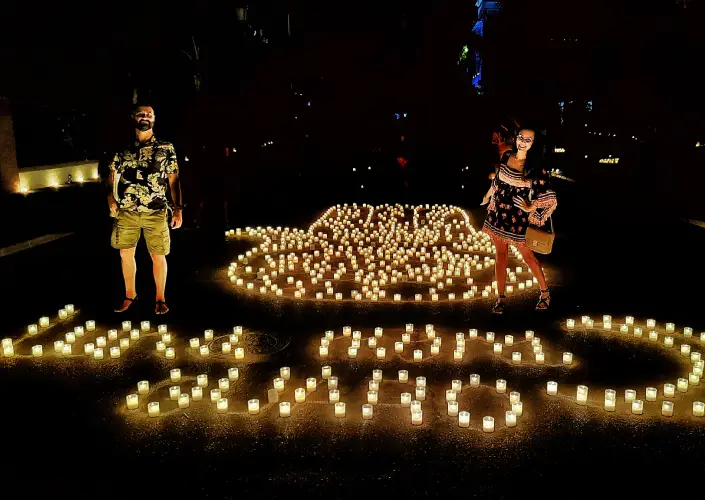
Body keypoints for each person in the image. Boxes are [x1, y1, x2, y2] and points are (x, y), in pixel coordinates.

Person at [106, 103, 183, 315]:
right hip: (127, 211)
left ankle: (160, 298)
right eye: (141, 114)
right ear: (134, 118)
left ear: (154, 119)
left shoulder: (166, 148)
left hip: (156, 211)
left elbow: (173, 180)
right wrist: (111, 197)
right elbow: (112, 176)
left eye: (149, 114)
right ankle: (130, 295)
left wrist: (178, 209)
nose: (145, 116)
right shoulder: (123, 150)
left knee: (158, 255)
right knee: (125, 254)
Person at [481, 126, 557, 314]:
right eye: (521, 137)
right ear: (516, 139)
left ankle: (545, 293)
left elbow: (550, 196)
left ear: (534, 144)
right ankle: (500, 298)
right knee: (500, 257)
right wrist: (488, 196)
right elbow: (497, 181)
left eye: (528, 139)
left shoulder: (534, 168)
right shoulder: (507, 157)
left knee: (529, 257)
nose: (522, 141)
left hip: (518, 220)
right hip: (497, 215)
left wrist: (531, 207)